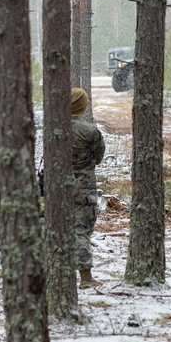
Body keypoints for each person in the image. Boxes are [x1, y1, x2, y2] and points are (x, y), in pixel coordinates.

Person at [71, 87, 105, 288]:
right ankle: (85, 278)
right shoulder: (91, 131)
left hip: (57, 188)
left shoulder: (54, 127)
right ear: (83, 106)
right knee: (81, 231)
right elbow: (99, 158)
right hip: (84, 189)